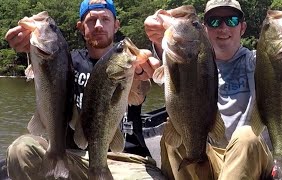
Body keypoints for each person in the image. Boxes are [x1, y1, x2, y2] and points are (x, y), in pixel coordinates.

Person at [144, 0, 282, 179]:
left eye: (232, 20)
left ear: (242, 28)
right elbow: (172, 72)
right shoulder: (194, 68)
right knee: (175, 134)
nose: (223, 28)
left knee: (246, 135)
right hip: (212, 158)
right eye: (214, 21)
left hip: (255, 162)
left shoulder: (259, 61)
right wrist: (160, 39)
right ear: (205, 28)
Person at [4, 0, 164, 179]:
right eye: (91, 20)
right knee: (21, 149)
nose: (98, 25)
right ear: (80, 27)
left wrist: (149, 64)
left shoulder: (130, 62)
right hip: (75, 158)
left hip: (127, 161)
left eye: (105, 19)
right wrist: (31, 48)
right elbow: (49, 69)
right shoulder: (66, 61)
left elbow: (139, 92)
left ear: (116, 25)